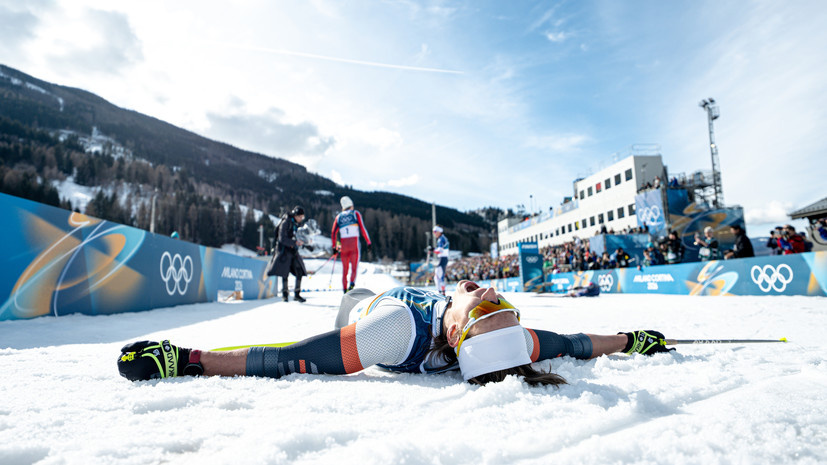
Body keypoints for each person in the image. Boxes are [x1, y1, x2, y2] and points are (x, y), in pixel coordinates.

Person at [116, 281, 675, 386]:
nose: (487, 291)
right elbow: (574, 343)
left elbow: (289, 358)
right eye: (502, 300)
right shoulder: (512, 344)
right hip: (407, 302)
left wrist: (189, 359)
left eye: (487, 303)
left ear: (457, 332)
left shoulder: (396, 329)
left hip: (362, 307)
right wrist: (632, 339)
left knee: (355, 298)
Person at [265, 206, 308, 302]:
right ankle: (285, 295)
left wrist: (302, 242)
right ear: (296, 215)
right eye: (300, 217)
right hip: (284, 251)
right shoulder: (286, 222)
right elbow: (282, 239)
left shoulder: (295, 224)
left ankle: (297, 294)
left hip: (293, 251)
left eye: (302, 217)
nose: (301, 219)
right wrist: (294, 243)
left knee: (299, 270)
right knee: (285, 273)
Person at [331, 196, 372, 293]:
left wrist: (335, 246)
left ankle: (345, 290)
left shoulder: (339, 217)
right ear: (351, 205)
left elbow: (333, 233)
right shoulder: (355, 214)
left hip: (344, 246)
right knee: (354, 268)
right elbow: (362, 228)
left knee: (345, 269)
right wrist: (368, 242)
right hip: (354, 245)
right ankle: (351, 285)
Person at [432, 226, 450, 295]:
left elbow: (440, 250)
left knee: (437, 277)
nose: (434, 234)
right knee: (439, 276)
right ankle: (442, 292)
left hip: (442, 258)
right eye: (433, 232)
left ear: (439, 232)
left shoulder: (441, 239)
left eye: (435, 232)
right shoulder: (443, 238)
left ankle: (441, 292)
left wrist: (432, 249)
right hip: (443, 258)